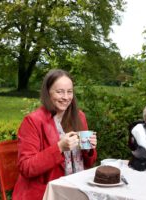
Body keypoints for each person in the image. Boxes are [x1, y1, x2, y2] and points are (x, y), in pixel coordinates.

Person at [12, 69, 97, 200]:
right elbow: (26, 167)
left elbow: (89, 162)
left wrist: (89, 148)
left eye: (69, 92)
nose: (66, 97)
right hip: (44, 193)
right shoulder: (32, 121)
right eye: (60, 92)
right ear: (48, 93)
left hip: (76, 187)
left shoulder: (79, 116)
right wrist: (59, 148)